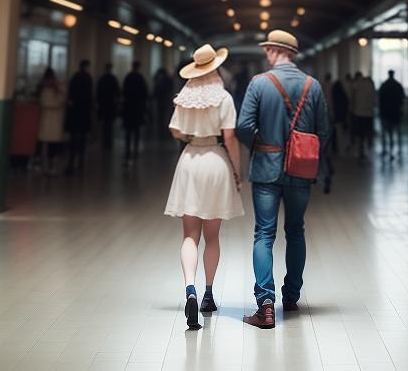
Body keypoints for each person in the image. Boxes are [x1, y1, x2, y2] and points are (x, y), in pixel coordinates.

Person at [237, 29, 330, 330]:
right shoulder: (312, 86)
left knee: (264, 233)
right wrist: (302, 150)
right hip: (300, 169)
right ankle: (291, 298)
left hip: (266, 166)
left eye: (267, 48)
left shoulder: (259, 83)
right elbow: (324, 131)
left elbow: (243, 126)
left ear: (274, 50)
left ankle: (265, 305)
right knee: (296, 231)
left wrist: (261, 145)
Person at [164, 43, 243, 331]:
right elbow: (231, 137)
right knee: (213, 236)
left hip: (189, 161)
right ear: (216, 68)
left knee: (189, 236)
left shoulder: (184, 97)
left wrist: (188, 135)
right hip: (216, 160)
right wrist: (237, 171)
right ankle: (208, 294)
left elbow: (173, 129)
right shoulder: (223, 98)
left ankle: (190, 290)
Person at [65, 59, 93, 173]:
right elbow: (90, 96)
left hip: (74, 114)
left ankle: (71, 162)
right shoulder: (87, 79)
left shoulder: (75, 78)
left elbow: (70, 96)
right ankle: (80, 163)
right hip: (84, 113)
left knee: (73, 139)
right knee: (82, 140)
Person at [37, 66, 64, 174]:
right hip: (55, 120)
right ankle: (51, 167)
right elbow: (59, 101)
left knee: (43, 143)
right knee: (52, 146)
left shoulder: (41, 88)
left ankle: (41, 165)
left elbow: (43, 102)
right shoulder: (57, 88)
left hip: (45, 119)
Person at [122, 61, 148, 164]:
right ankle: (135, 150)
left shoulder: (128, 78)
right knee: (136, 132)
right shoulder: (140, 78)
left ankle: (127, 151)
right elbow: (145, 93)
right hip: (137, 109)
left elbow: (123, 92)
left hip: (128, 109)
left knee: (128, 133)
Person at [377, 70, 405, 159]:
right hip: (396, 113)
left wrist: (381, 112)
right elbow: (402, 99)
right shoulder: (398, 85)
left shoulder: (384, 86)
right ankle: (399, 149)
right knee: (397, 132)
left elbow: (380, 100)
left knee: (386, 133)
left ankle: (386, 149)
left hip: (386, 113)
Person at [350, 70, 376, 161]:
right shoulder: (370, 84)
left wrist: (352, 109)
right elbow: (374, 99)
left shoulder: (356, 84)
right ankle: (367, 146)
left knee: (360, 134)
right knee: (366, 132)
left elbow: (352, 98)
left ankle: (361, 151)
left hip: (359, 113)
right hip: (369, 113)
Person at [96, 63, 120, 151]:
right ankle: (108, 143)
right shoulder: (112, 79)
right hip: (110, 105)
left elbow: (98, 92)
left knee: (105, 125)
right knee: (109, 125)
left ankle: (105, 142)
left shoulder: (102, 79)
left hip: (104, 105)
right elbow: (117, 92)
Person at [329, 74, 349, 150]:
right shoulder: (343, 96)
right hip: (342, 117)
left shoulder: (334, 96)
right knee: (342, 134)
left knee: (337, 133)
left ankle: (336, 147)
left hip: (336, 117)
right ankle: (341, 148)